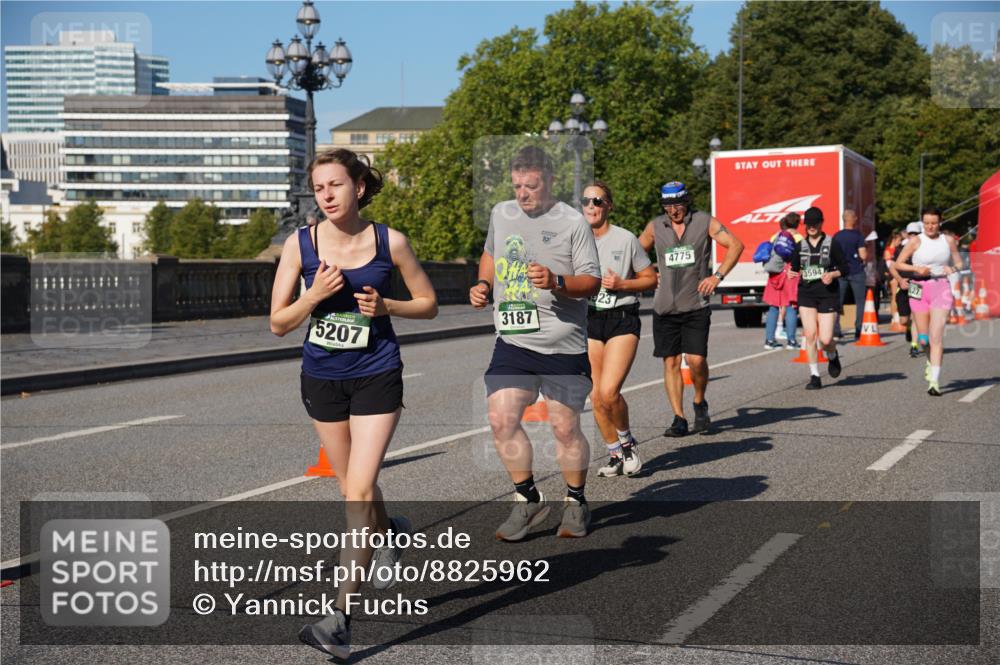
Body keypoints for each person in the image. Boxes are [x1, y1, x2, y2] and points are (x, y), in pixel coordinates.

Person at [270, 149, 438, 659]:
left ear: (359, 187)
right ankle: (390, 532)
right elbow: (278, 323)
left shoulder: (390, 242)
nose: (326, 195)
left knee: (358, 492)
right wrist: (313, 295)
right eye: (319, 187)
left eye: (336, 185)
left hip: (377, 375)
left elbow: (429, 304)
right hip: (322, 378)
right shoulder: (300, 245)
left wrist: (388, 305)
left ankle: (339, 619)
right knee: (352, 488)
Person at [469, 145, 601, 539]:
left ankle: (575, 501)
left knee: (564, 428)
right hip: (514, 340)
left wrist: (557, 281)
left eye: (531, 185)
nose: (522, 194)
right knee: (500, 418)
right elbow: (490, 254)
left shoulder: (573, 222)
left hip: (563, 343)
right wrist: (483, 283)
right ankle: (528, 499)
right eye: (517, 186)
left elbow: (592, 282)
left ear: (550, 180)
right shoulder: (501, 214)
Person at [639, 181, 745, 437]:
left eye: (677, 205)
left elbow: (736, 245)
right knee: (671, 361)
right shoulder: (655, 226)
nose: (673, 211)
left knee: (696, 360)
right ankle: (679, 418)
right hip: (664, 306)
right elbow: (633, 252)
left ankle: (699, 400)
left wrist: (717, 276)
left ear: (686, 202)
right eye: (667, 206)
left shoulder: (704, 222)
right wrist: (648, 273)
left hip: (695, 304)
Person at [580, 181, 657, 477]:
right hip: (590, 319)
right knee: (596, 396)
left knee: (610, 392)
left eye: (597, 201)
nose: (591, 206)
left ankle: (627, 444)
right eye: (586, 201)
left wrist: (622, 283)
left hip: (622, 317)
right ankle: (614, 454)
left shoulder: (625, 239)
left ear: (608, 206)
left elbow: (650, 278)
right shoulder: (575, 241)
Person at [893, 207, 963, 396]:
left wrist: (952, 269)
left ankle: (934, 381)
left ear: (940, 222)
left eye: (934, 223)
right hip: (918, 288)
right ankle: (929, 360)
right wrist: (916, 269)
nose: (930, 227)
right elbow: (898, 264)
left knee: (936, 337)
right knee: (923, 339)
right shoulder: (916, 241)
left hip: (941, 287)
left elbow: (960, 262)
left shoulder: (948, 240)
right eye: (926, 223)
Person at [790, 206, 849, 389]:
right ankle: (814, 375)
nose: (812, 227)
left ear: (821, 223)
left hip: (828, 294)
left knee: (825, 339)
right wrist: (791, 273)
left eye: (815, 224)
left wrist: (832, 274)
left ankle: (832, 355)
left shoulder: (832, 244)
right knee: (810, 335)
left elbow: (845, 268)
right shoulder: (800, 246)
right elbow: (794, 268)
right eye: (808, 224)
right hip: (806, 294)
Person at [763, 213, 802, 350]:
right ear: (798, 223)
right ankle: (791, 341)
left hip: (775, 275)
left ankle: (769, 340)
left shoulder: (776, 236)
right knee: (791, 306)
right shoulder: (798, 237)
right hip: (790, 274)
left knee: (773, 307)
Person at [888, 222, 923, 357]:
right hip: (903, 285)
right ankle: (908, 328)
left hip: (916, 285)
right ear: (907, 235)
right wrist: (900, 280)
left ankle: (914, 345)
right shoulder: (900, 249)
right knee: (904, 320)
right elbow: (892, 267)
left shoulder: (922, 249)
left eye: (916, 234)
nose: (913, 236)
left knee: (915, 316)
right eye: (911, 234)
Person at [833, 209, 868, 340]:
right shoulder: (858, 235)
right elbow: (863, 255)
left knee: (838, 301)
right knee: (860, 302)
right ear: (852, 219)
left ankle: (836, 330)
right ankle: (859, 330)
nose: (857, 219)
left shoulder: (837, 236)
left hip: (841, 272)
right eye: (855, 217)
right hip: (856, 271)